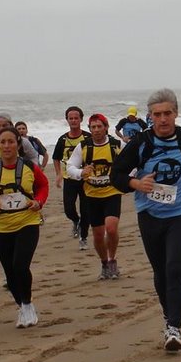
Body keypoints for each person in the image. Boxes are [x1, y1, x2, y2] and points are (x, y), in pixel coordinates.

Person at [111, 88, 181, 352]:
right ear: (150, 117)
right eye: (157, 114)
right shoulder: (141, 143)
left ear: (176, 114)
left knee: (174, 267)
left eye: (168, 113)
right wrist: (135, 182)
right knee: (160, 271)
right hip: (150, 215)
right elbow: (117, 174)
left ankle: (174, 327)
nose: (163, 119)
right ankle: (169, 316)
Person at [0, 126, 49, 328]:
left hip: (27, 222)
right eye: (3, 142)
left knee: (20, 266)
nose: (7, 146)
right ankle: (23, 306)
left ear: (18, 144)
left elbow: (43, 186)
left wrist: (38, 202)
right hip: (2, 226)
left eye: (11, 142)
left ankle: (27, 304)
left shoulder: (29, 168)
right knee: (9, 272)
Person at [65, 113, 124, 279]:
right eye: (93, 127)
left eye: (100, 126)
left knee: (111, 229)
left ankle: (112, 260)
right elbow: (70, 167)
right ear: (89, 129)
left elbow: (131, 163)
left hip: (112, 193)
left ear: (106, 127)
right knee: (98, 234)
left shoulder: (116, 145)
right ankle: (104, 262)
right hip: (91, 195)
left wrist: (125, 179)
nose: (97, 130)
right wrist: (81, 172)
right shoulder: (84, 147)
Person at [52, 105, 90, 250]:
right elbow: (56, 158)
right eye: (70, 118)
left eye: (76, 118)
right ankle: (76, 221)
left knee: (86, 210)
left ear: (81, 119)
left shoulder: (87, 138)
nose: (73, 121)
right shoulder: (62, 140)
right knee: (69, 209)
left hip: (86, 179)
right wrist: (58, 174)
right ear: (67, 120)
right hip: (69, 179)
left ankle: (83, 237)